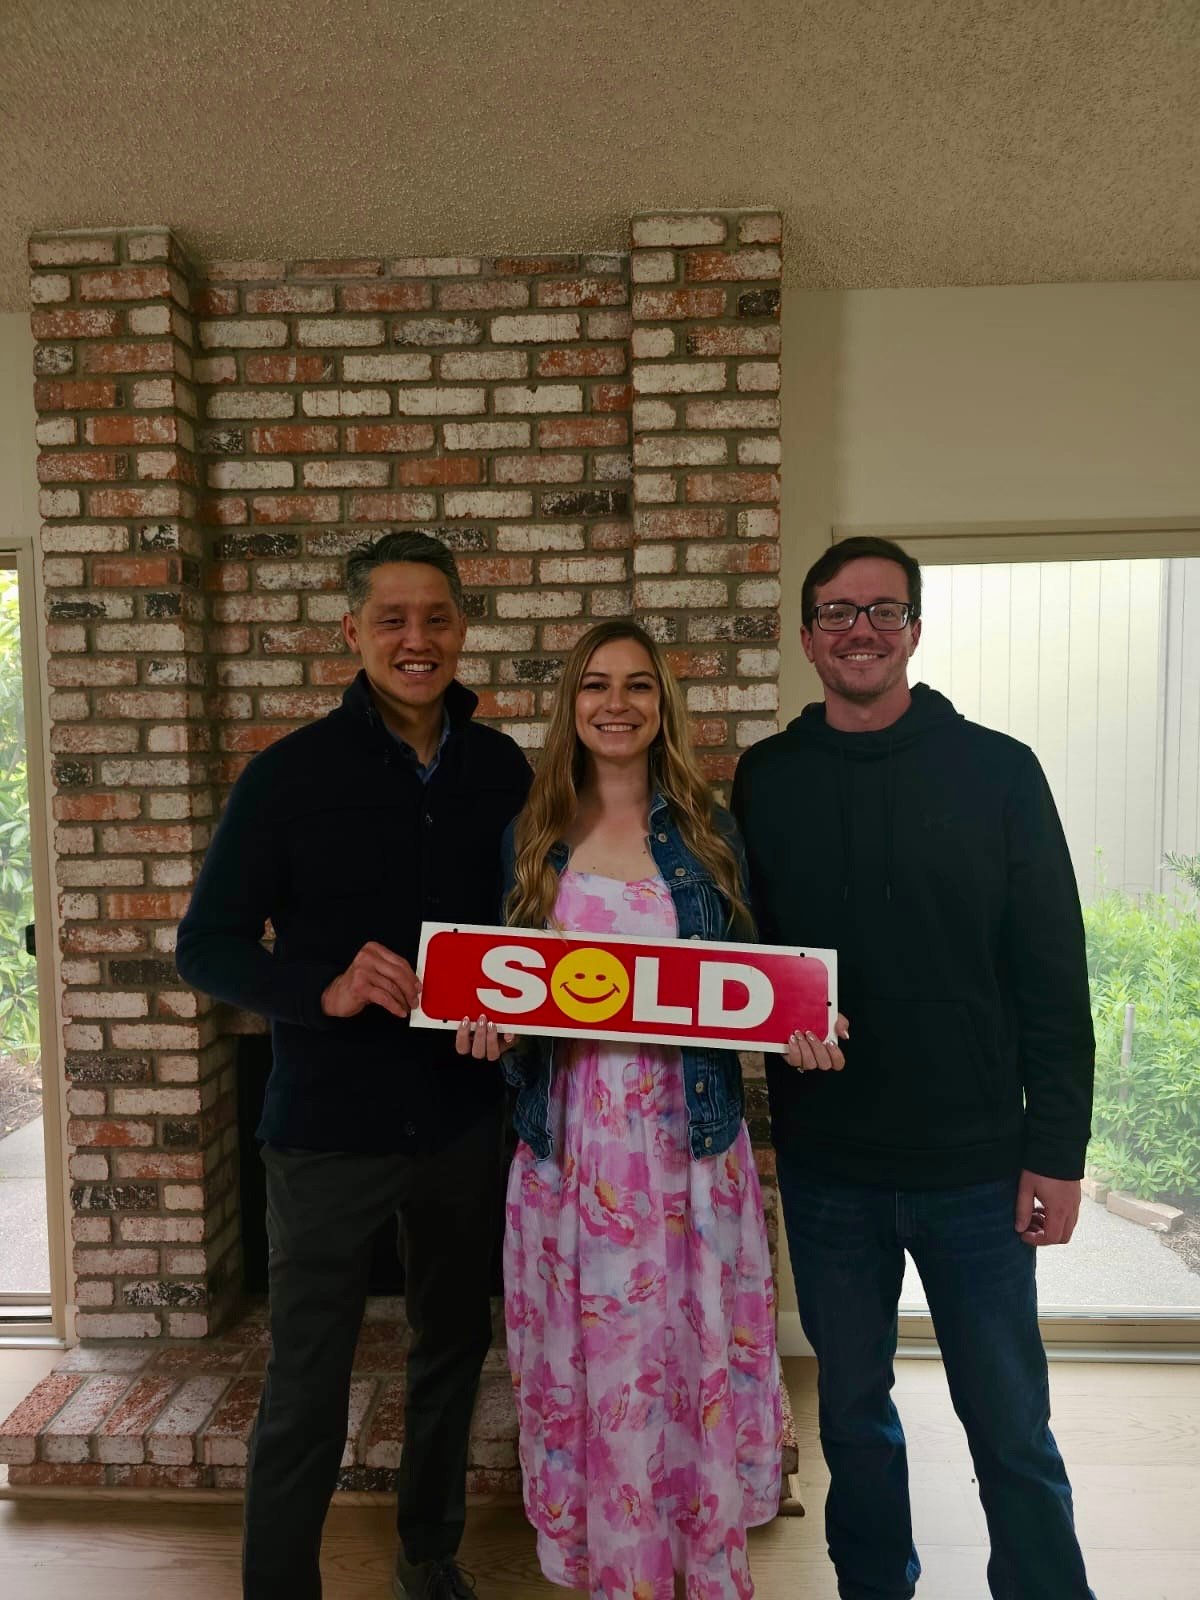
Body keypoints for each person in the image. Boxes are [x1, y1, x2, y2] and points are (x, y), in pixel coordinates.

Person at [731, 535, 1097, 1600]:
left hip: (976, 1166)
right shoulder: (767, 779)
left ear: (916, 631)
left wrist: (1057, 1152)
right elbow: (746, 956)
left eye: (884, 610)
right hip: (830, 1165)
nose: (862, 630)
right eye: (838, 612)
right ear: (808, 639)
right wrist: (773, 1027)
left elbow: (1052, 972)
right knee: (852, 1417)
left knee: (1009, 1423)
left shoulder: (999, 770)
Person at [176, 530, 532, 1600]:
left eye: (436, 618)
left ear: (462, 630)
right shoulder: (287, 776)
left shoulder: (504, 769)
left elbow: (531, 931)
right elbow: (206, 945)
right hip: (326, 1128)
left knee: (451, 1350)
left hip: (463, 1116)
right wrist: (319, 989)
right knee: (306, 1378)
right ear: (352, 632)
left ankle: (429, 1555)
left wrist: (520, 1007)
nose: (416, 639)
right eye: (392, 619)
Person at [458, 619, 843, 1600]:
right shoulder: (532, 835)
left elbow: (752, 981)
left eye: (637, 684)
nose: (616, 703)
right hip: (572, 1147)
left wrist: (802, 1024)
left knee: (683, 1354)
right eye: (596, 684)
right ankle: (616, 1570)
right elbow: (511, 994)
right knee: (594, 1362)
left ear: (663, 704)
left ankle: (696, 1568)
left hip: (686, 1144)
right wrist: (492, 1033)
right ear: (572, 704)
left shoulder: (708, 833)